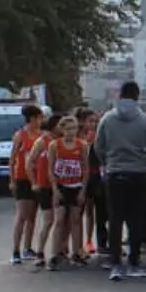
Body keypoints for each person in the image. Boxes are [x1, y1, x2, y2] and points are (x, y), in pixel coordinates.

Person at [95, 81, 146, 282]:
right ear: (137, 96)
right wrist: (145, 166)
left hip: (115, 173)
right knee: (136, 219)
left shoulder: (107, 119)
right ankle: (133, 262)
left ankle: (116, 264)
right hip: (138, 174)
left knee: (115, 219)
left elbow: (98, 147)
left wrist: (108, 162)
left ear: (119, 95)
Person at [47, 116, 89, 271]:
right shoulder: (54, 145)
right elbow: (50, 169)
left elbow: (85, 168)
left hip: (76, 186)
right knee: (59, 220)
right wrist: (55, 190)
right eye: (68, 128)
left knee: (75, 220)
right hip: (61, 185)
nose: (71, 132)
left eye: (74, 128)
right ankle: (55, 254)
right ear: (62, 129)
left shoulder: (82, 145)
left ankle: (77, 252)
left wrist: (83, 190)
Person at [9, 104, 44, 264]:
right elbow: (13, 158)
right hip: (22, 178)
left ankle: (28, 247)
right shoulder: (20, 135)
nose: (41, 121)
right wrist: (12, 180)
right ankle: (15, 250)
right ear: (32, 119)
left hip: (36, 179)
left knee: (32, 216)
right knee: (22, 215)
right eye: (38, 118)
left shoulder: (41, 136)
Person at [27, 114, 63, 268]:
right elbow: (29, 163)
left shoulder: (63, 142)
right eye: (61, 125)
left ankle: (56, 253)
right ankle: (40, 252)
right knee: (48, 220)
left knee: (60, 220)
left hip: (60, 186)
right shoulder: (43, 141)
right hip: (45, 186)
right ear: (54, 126)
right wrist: (34, 182)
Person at [78, 109, 107, 255]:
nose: (93, 124)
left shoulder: (99, 137)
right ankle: (78, 244)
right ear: (82, 122)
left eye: (96, 121)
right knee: (79, 212)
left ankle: (92, 241)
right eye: (90, 120)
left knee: (96, 211)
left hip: (96, 178)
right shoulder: (76, 138)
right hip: (79, 178)